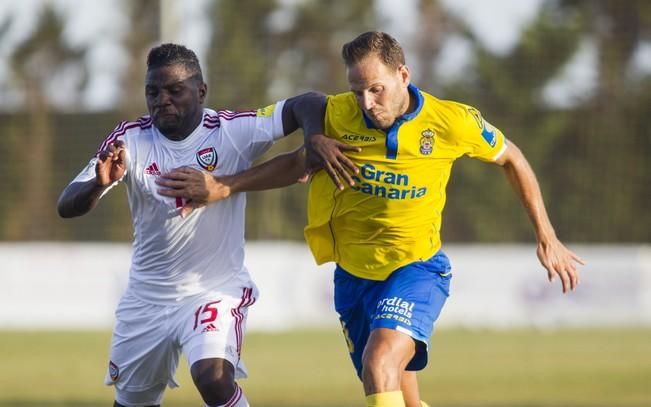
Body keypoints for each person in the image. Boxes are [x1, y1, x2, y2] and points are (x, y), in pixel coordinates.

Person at [157, 32, 584, 407]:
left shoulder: (451, 121)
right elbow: (296, 163)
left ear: (403, 74)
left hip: (416, 269)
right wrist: (225, 185)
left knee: (378, 362)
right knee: (398, 391)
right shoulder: (340, 115)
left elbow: (512, 157)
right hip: (354, 279)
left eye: (376, 90)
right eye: (357, 91)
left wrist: (546, 236)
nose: (366, 103)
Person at [57, 43, 329, 407]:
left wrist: (313, 141)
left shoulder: (231, 130)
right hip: (147, 299)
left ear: (201, 91)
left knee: (213, 378)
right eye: (152, 91)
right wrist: (98, 184)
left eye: (174, 90)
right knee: (132, 402)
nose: (161, 100)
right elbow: (67, 205)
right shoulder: (129, 139)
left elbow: (308, 102)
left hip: (213, 289)